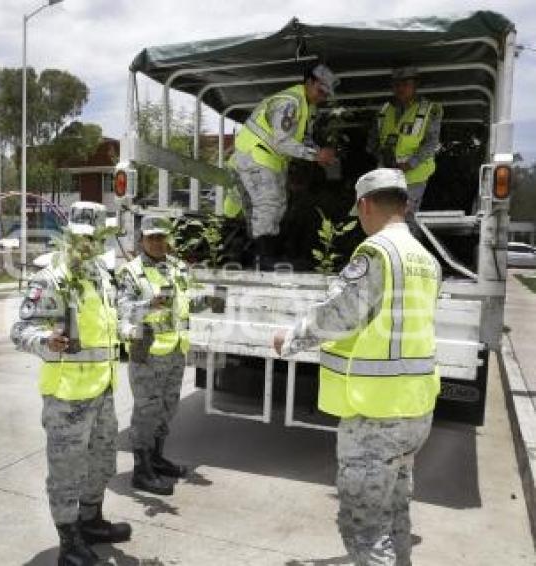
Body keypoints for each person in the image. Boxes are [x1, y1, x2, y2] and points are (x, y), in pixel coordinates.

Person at [273, 168, 442, 566]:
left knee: (364, 528)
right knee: (396, 510)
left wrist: (291, 338)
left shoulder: (376, 252)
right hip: (416, 408)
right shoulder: (426, 259)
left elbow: (340, 315)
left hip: (376, 415)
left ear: (365, 205)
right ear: (405, 204)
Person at [11, 212, 131, 566]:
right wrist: (47, 340)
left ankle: (91, 521)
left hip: (103, 390)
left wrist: (129, 327)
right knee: (67, 471)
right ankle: (69, 540)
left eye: (92, 240)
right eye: (78, 239)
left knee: (102, 461)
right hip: (66, 397)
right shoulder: (51, 279)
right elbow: (21, 330)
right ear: (67, 239)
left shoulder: (103, 278)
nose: (85, 246)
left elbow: (110, 324)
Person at [116, 214, 210, 496]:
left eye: (161, 237)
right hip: (147, 353)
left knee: (168, 408)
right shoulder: (130, 272)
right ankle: (141, 471)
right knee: (146, 411)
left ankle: (156, 458)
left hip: (174, 351)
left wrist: (208, 299)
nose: (157, 242)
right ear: (141, 239)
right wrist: (149, 303)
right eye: (151, 237)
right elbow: (122, 310)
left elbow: (186, 300)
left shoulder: (177, 267)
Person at [224, 63, 339, 264]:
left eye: (326, 94)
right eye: (321, 91)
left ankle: (261, 254)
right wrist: (316, 155)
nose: (323, 97)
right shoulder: (290, 102)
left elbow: (302, 139)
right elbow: (282, 141)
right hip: (255, 155)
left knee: (277, 207)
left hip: (269, 160)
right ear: (309, 82)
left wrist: (319, 152)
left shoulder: (305, 106)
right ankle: (262, 257)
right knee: (268, 205)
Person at [367, 66, 443, 229]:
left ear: (416, 85)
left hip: (414, 176)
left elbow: (431, 142)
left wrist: (410, 163)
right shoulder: (384, 110)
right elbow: (372, 142)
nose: (400, 88)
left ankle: (409, 252)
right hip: (387, 173)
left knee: (405, 219)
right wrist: (382, 158)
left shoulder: (431, 109)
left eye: (405, 83)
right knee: (383, 218)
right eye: (396, 84)